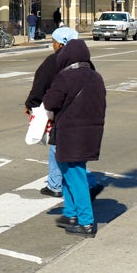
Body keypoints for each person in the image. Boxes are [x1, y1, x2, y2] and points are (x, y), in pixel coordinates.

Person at [42, 36, 107, 238]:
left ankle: (86, 222)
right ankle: (71, 213)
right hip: (90, 132)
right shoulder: (96, 76)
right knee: (69, 172)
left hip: (71, 133)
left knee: (75, 176)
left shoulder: (65, 77)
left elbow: (50, 102)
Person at [28, 26, 76, 201]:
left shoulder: (54, 61)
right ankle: (69, 182)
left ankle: (55, 184)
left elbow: (40, 84)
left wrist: (32, 104)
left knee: (57, 146)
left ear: (61, 44)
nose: (53, 45)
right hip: (83, 111)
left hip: (61, 111)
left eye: (54, 42)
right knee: (72, 149)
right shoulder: (83, 60)